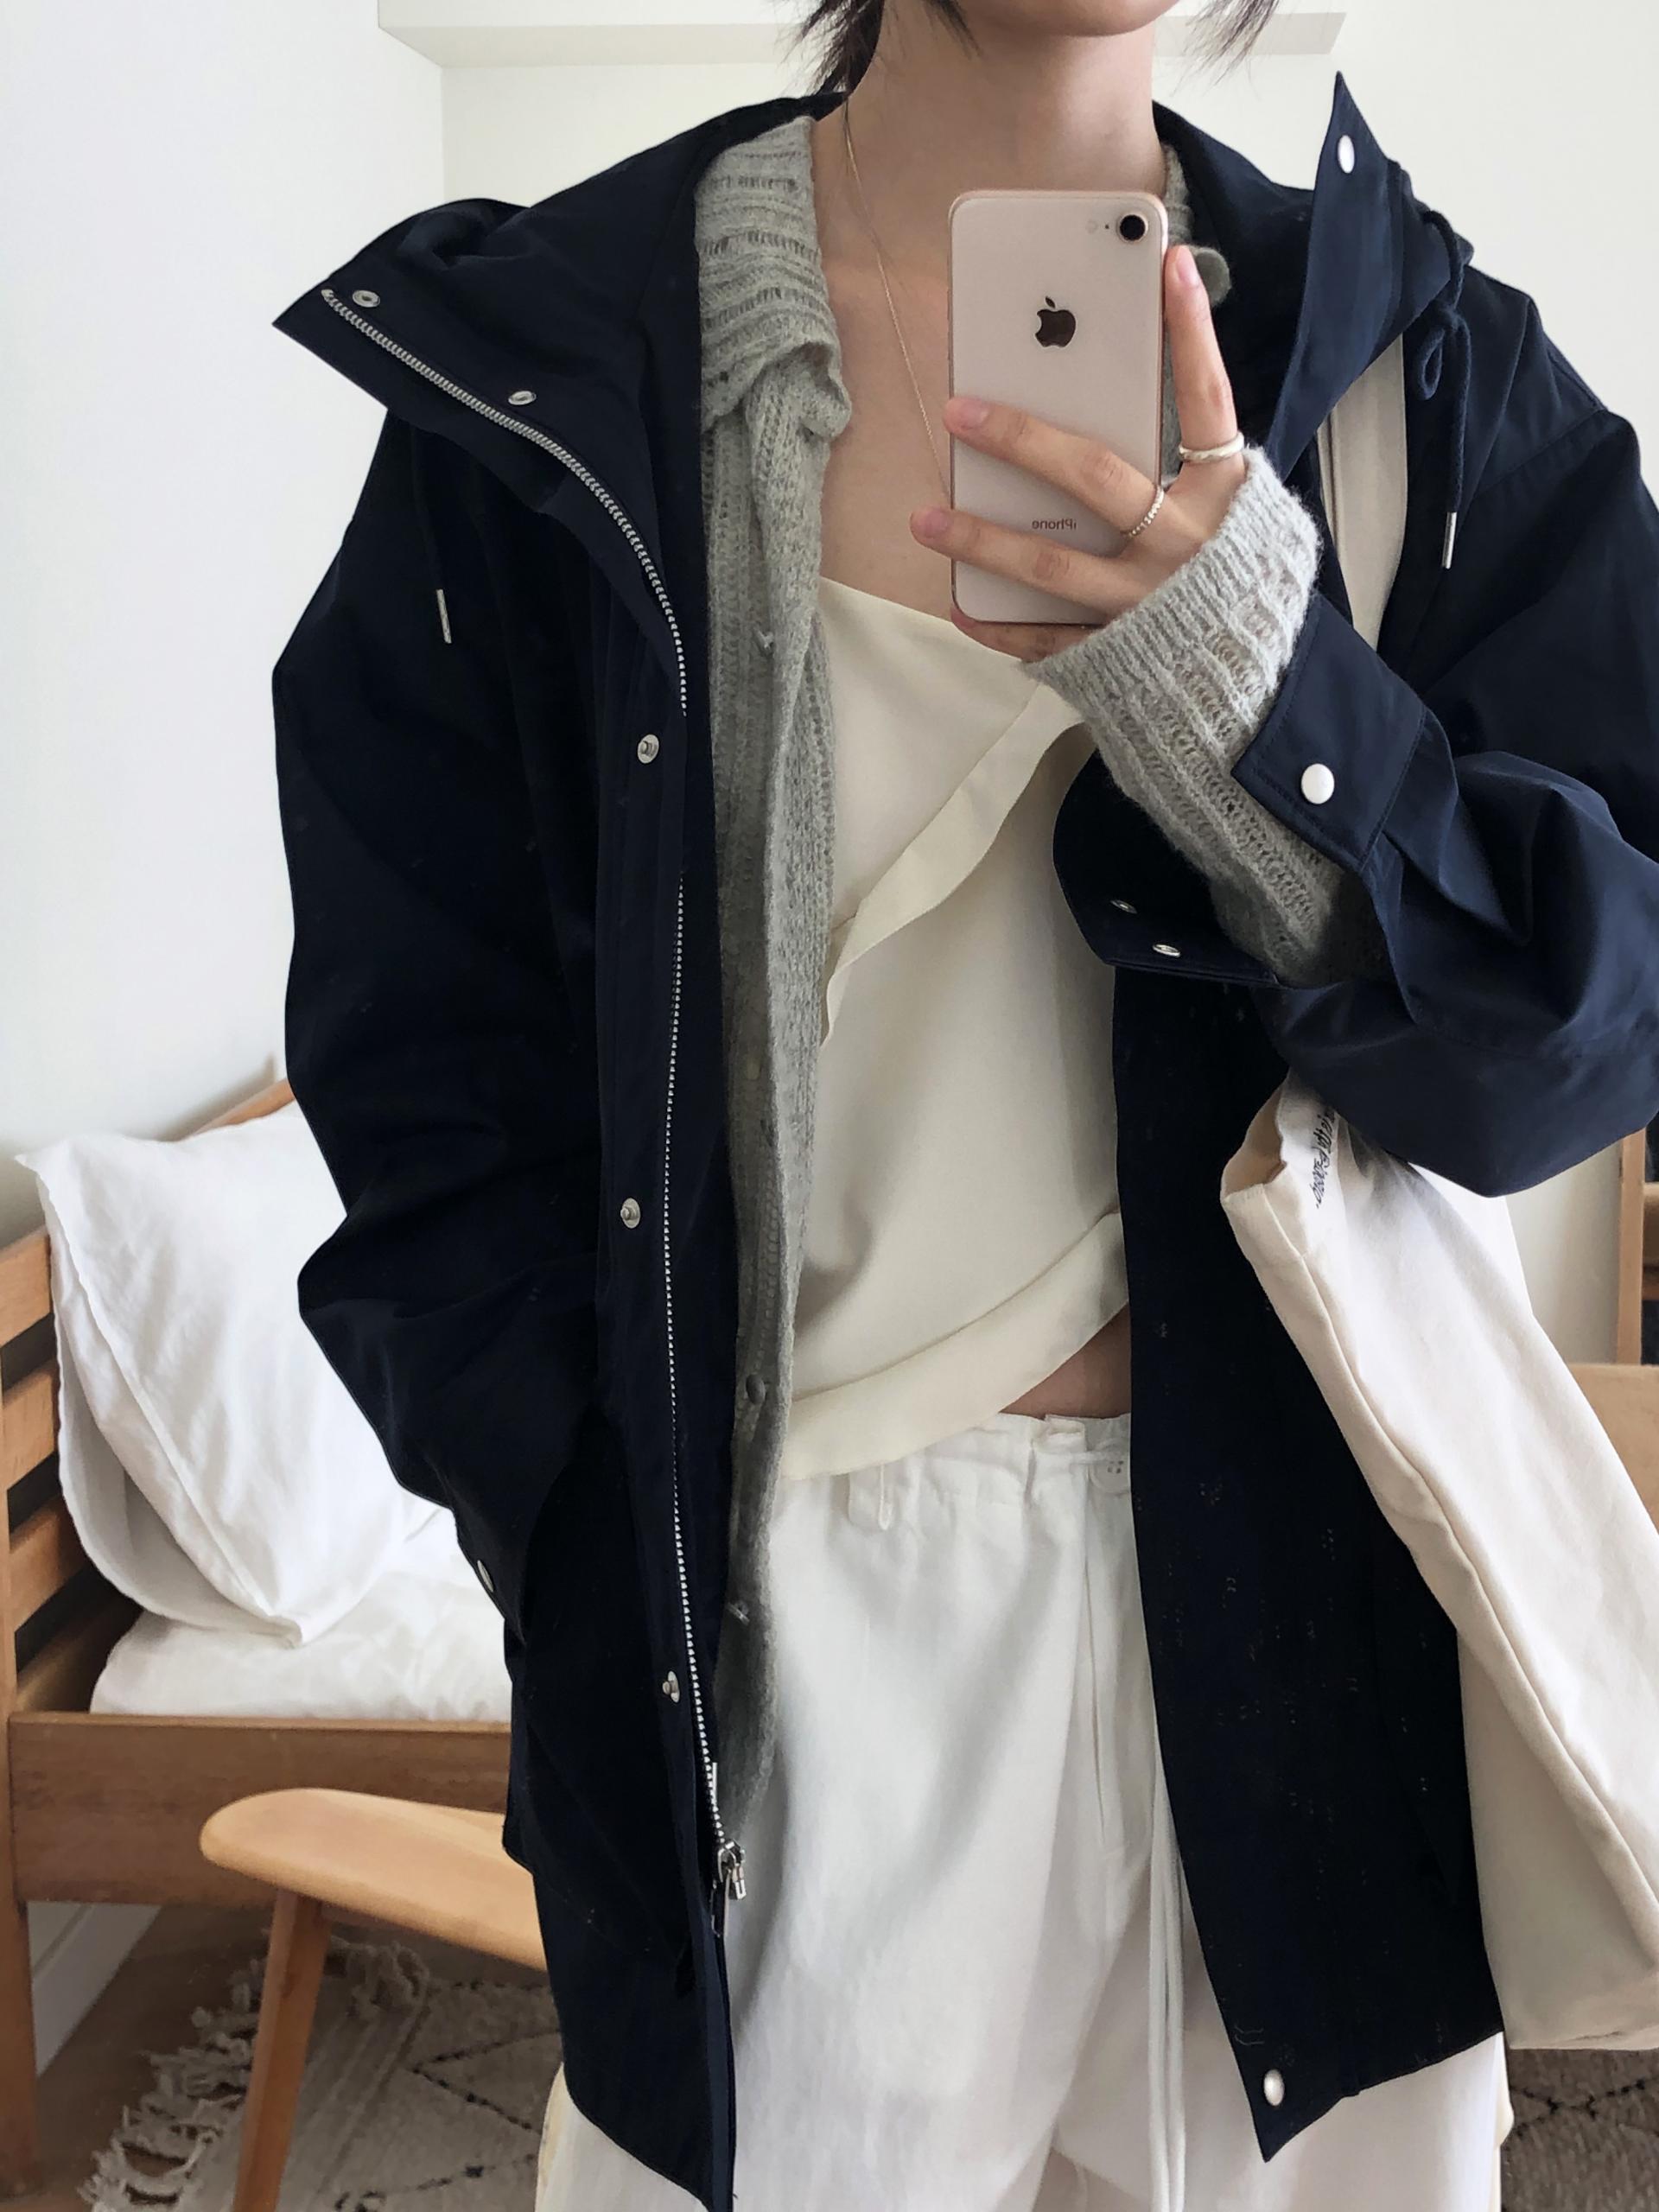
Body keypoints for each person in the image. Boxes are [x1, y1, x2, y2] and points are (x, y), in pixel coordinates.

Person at [267, 3, 1659, 2209]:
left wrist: (1266, 690)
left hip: (1314, 1605)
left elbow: (1583, 1038)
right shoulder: (555, 378)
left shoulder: (1423, 371)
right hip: (801, 1625)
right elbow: (424, 1071)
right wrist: (582, 1532)